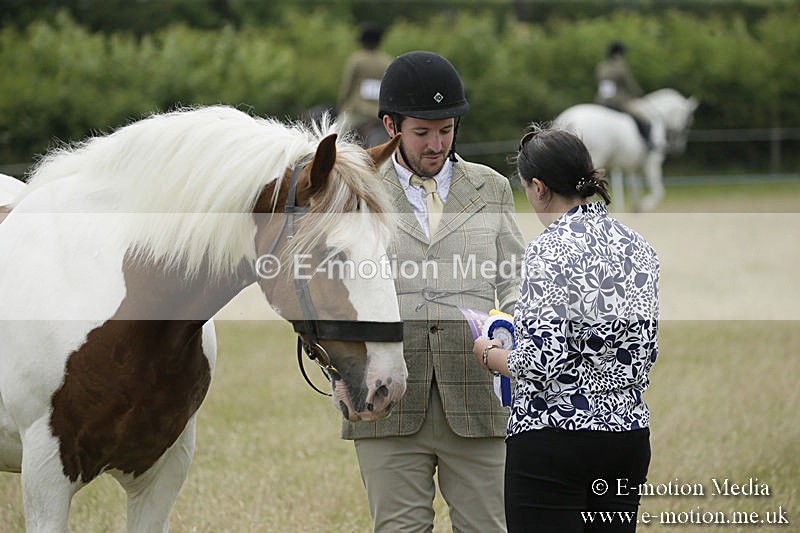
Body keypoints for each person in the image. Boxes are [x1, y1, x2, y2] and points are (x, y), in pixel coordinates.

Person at [342, 51, 525, 532]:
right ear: (391, 124)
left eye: (445, 130)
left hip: (480, 399)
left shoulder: (492, 188)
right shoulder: (355, 190)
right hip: (388, 398)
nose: (436, 144)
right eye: (422, 132)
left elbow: (515, 280)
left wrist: (519, 347)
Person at [472, 125, 660, 532]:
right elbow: (646, 351)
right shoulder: (639, 246)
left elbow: (542, 360)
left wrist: (490, 354)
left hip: (554, 436)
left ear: (538, 188)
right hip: (627, 434)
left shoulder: (548, 248)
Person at [337, 22, 392, 147]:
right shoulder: (387, 61)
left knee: (334, 135)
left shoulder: (356, 59)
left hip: (358, 111)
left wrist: (342, 105)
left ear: (363, 41)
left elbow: (347, 88)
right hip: (380, 113)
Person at [595, 41, 652, 146]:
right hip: (619, 102)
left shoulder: (602, 66)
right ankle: (648, 143)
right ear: (618, 54)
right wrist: (639, 93)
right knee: (644, 119)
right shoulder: (621, 66)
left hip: (602, 101)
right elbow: (629, 84)